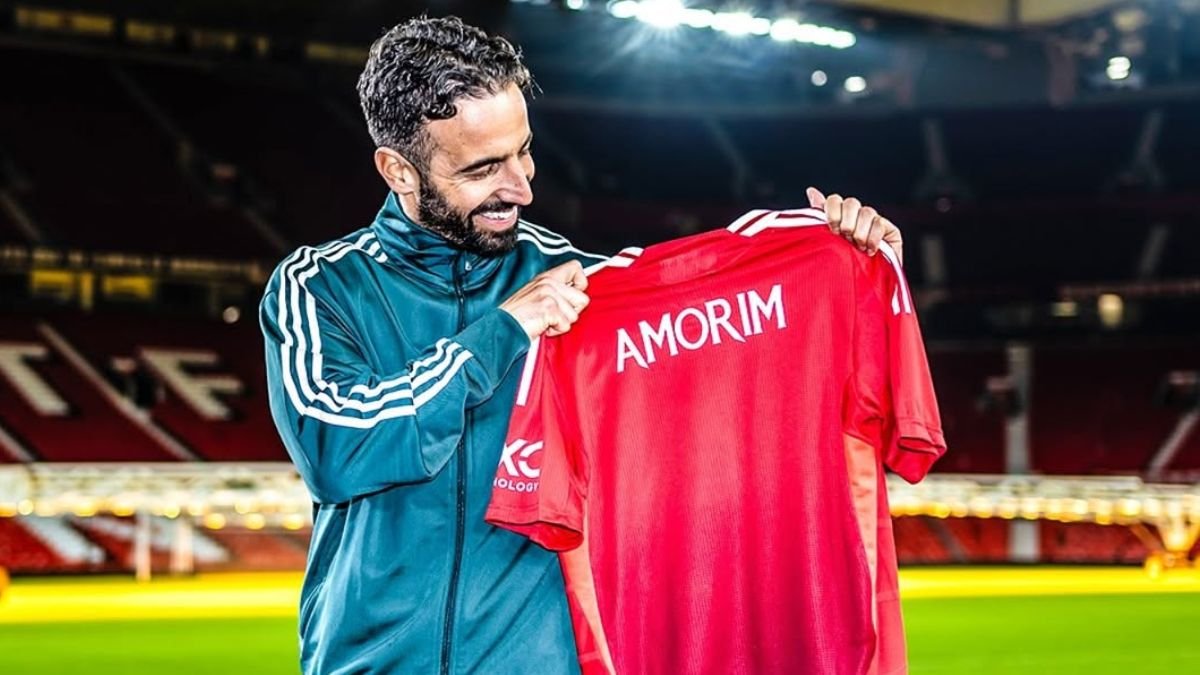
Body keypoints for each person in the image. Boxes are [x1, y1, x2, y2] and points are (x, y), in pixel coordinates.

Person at [260, 15, 905, 675]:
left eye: (524, 151)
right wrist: (502, 332)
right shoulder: (319, 287)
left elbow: (733, 378)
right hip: (368, 664)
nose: (521, 186)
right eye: (484, 168)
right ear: (399, 170)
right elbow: (336, 448)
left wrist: (844, 274)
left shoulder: (585, 287)